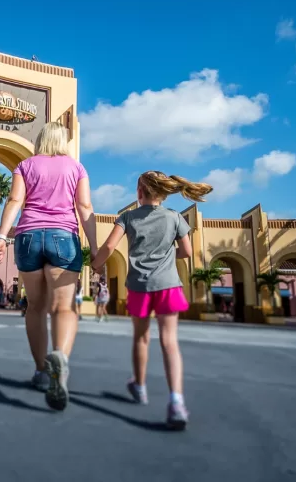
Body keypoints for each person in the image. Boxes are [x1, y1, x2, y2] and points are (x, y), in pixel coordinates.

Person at [91, 170, 212, 430]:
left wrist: (96, 264)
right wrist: (167, 254)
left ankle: (140, 386)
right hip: (168, 285)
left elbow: (110, 247)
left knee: (141, 339)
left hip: (139, 286)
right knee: (169, 342)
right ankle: (176, 401)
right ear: (164, 192)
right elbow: (187, 252)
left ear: (139, 192)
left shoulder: (127, 217)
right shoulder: (175, 218)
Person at [0, 121, 97, 411]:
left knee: (36, 307)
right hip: (63, 238)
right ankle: (59, 358)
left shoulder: (25, 165)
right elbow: (85, 208)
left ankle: (41, 370)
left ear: (40, 140)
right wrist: (96, 247)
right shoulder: (76, 167)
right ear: (63, 141)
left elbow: (15, 200)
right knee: (64, 307)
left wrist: (2, 236)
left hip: (27, 238)